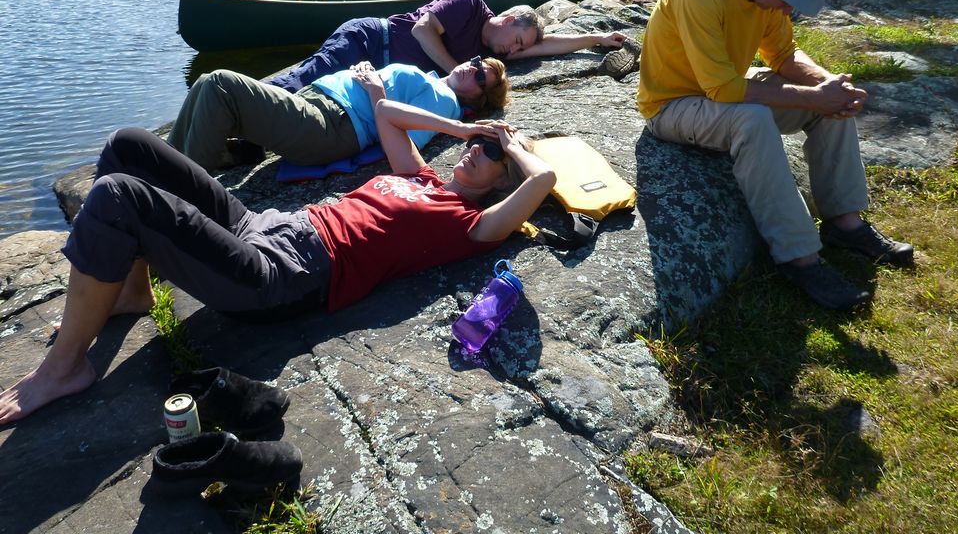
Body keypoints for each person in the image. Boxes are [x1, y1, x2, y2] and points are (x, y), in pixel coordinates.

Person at [0, 98, 555, 425]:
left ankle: (65, 368)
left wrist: (512, 143)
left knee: (118, 197)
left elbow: (545, 179)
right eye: (479, 143)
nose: (476, 150)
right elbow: (386, 113)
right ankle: (130, 291)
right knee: (130, 145)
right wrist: (468, 128)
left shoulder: (469, 224)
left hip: (283, 277)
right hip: (263, 226)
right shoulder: (424, 178)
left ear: (502, 183)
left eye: (490, 154)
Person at [636, 0, 913, 311]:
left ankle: (845, 223)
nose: (788, 10)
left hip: (720, 88)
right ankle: (800, 257)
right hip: (672, 104)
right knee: (752, 120)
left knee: (830, 103)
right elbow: (722, 89)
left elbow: (783, 55)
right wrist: (814, 97)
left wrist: (828, 85)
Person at [169, 57, 508, 171]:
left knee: (219, 85)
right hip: (318, 104)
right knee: (203, 85)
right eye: (478, 62)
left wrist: (376, 90)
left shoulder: (446, 101)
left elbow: (405, 144)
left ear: (478, 99)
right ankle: (161, 173)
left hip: (333, 123)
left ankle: (175, 198)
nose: (473, 69)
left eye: (481, 78)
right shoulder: (431, 79)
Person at [267, 0, 629, 93]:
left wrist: (596, 38)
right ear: (507, 20)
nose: (516, 50)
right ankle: (240, 103)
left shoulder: (493, 51)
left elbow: (547, 45)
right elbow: (421, 30)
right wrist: (457, 71)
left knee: (313, 103)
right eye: (518, 40)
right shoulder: (468, 3)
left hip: (376, 73)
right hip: (370, 41)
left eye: (521, 48)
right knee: (303, 81)